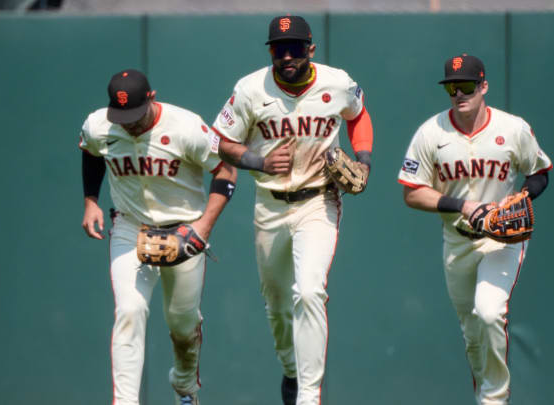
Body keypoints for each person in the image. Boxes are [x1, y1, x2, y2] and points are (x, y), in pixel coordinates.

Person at [210, 15, 374, 405]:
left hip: (319, 200)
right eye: (278, 48)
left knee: (310, 291)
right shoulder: (251, 89)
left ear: (311, 49)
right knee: (278, 304)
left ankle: (308, 395)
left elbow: (359, 114)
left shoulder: (336, 82)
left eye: (295, 48)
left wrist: (364, 159)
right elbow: (218, 140)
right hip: (269, 204)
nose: (286, 55)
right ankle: (290, 371)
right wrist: (258, 161)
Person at [398, 54, 552, 405]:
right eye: (452, 87)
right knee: (473, 334)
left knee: (489, 310)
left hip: (501, 239)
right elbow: (411, 192)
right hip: (457, 241)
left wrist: (522, 196)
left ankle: (494, 400)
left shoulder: (512, 128)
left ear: (483, 86)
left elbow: (540, 171)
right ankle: (486, 394)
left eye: (466, 85)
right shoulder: (431, 132)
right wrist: (463, 206)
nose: (459, 93)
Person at [79, 69, 237, 405]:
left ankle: (184, 385)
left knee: (183, 325)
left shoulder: (186, 127)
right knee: (129, 311)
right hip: (130, 228)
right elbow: (91, 152)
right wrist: (90, 200)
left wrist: (203, 227)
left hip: (184, 229)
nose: (129, 124)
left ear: (152, 98)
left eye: (135, 115)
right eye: (122, 117)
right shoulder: (99, 126)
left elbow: (226, 170)